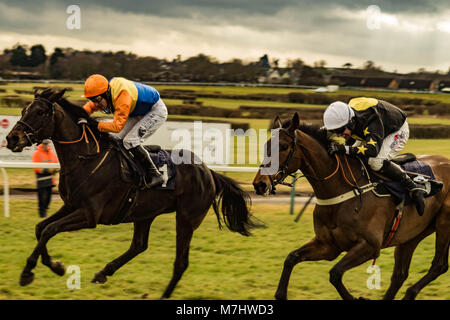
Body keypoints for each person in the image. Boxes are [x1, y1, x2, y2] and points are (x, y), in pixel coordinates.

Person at [323, 97, 426, 216]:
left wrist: (344, 148)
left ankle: (414, 188)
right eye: (335, 130)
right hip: (376, 127)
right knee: (352, 156)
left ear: (351, 121)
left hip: (396, 130)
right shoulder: (345, 119)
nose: (339, 134)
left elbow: (372, 150)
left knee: (375, 162)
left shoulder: (370, 120)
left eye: (340, 130)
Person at [82, 74, 167, 188]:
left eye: (97, 100)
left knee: (130, 141)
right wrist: (79, 115)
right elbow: (90, 107)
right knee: (113, 138)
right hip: (136, 112)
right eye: (92, 100)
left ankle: (155, 174)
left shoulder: (122, 96)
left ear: (106, 93)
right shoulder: (104, 94)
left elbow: (117, 126)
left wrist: (94, 124)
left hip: (154, 111)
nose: (96, 104)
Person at [32, 139, 59, 218]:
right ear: (42, 145)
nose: (46, 145)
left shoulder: (51, 153)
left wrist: (56, 169)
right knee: (42, 199)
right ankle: (42, 214)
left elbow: (56, 163)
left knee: (48, 199)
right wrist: (48, 170)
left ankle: (45, 210)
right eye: (45, 144)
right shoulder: (37, 154)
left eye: (47, 144)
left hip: (50, 180)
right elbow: (36, 168)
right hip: (41, 181)